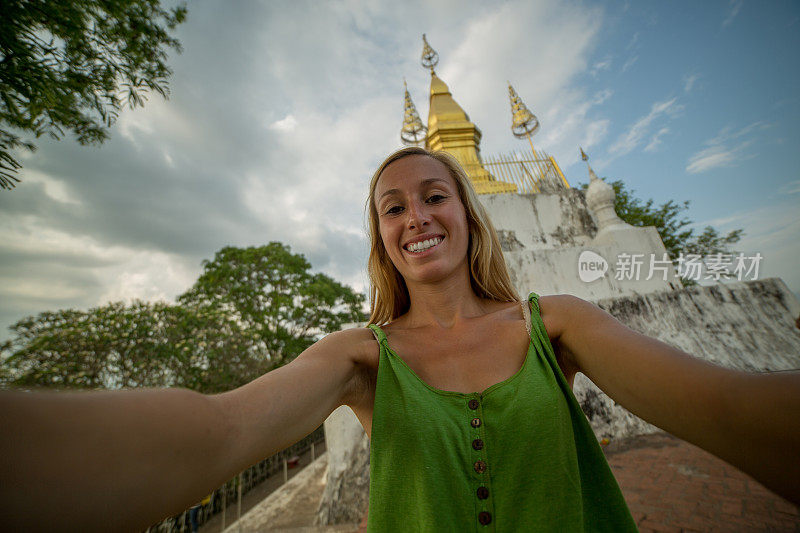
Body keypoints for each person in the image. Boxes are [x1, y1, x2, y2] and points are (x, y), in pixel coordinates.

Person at [0, 147, 798, 532]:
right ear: (382, 236)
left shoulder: (556, 325)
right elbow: (219, 429)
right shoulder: (360, 356)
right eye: (392, 207)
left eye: (434, 195)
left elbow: (724, 403)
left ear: (467, 210)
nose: (416, 216)